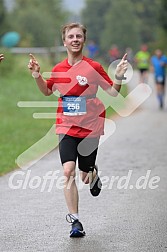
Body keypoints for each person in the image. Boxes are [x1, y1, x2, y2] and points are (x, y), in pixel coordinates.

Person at [28, 22, 128, 238]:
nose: (75, 39)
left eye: (79, 36)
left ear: (83, 40)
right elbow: (47, 91)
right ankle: (75, 222)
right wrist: (37, 75)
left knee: (84, 175)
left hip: (90, 127)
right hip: (66, 126)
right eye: (71, 36)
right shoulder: (58, 69)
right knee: (67, 171)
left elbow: (112, 92)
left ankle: (93, 174)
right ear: (64, 41)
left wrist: (118, 76)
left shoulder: (94, 67)